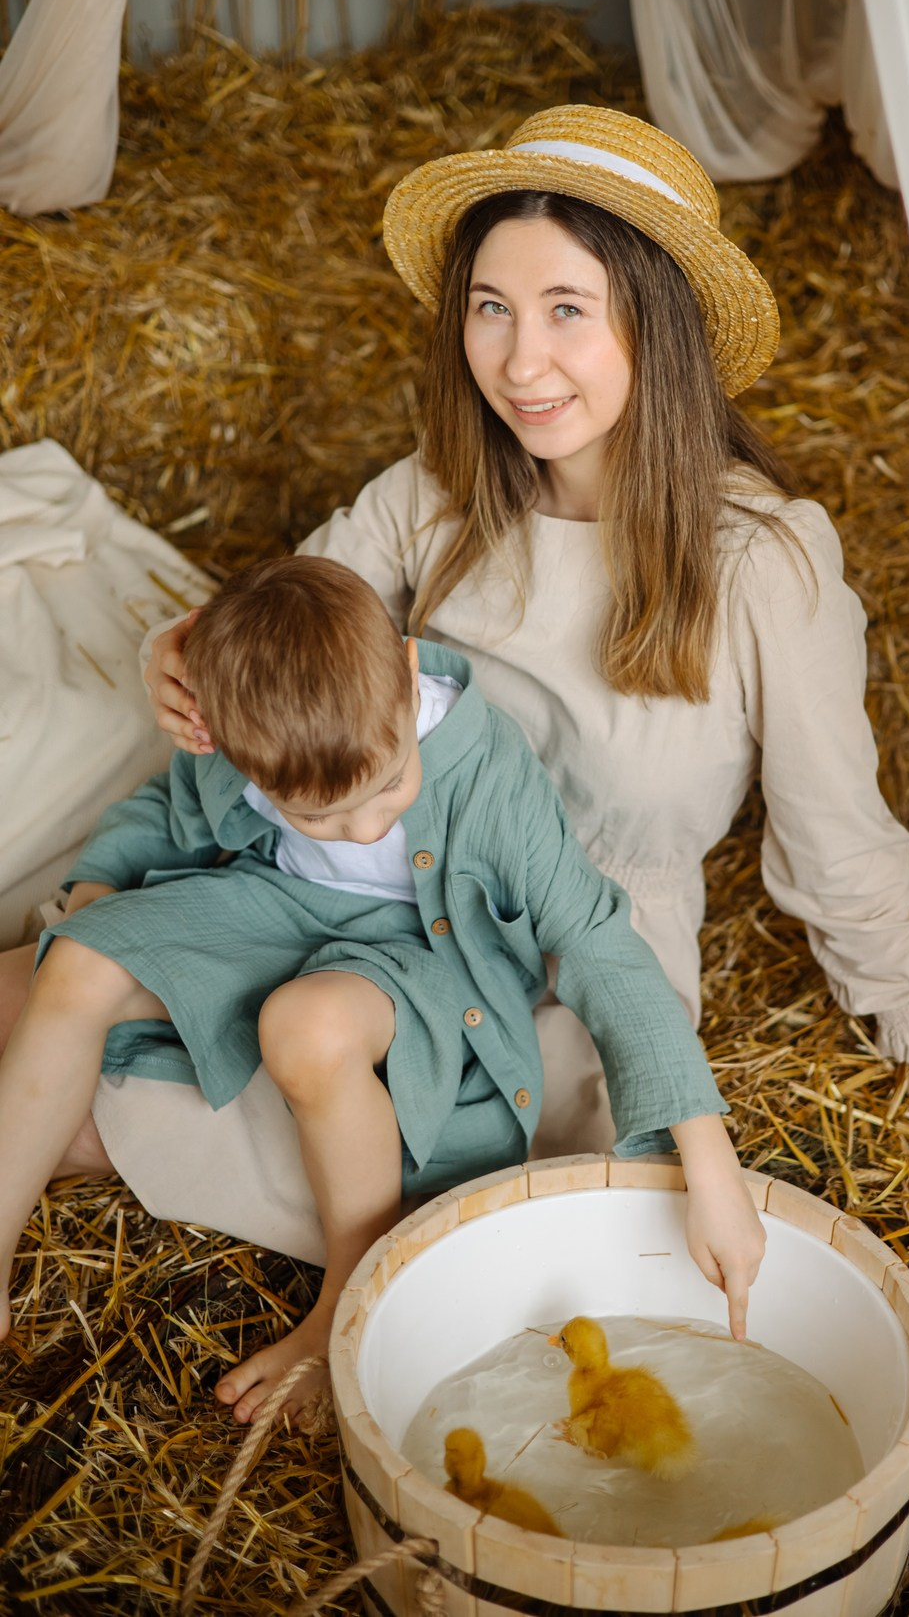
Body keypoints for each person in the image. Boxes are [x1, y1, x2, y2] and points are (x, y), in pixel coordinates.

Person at [0, 105, 909, 1395]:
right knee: (32, 992)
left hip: (549, 977)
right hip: (350, 874)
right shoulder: (435, 494)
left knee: (131, 1091)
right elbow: (281, 622)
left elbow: (838, 845)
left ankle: (336, 1282)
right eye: (489, 306)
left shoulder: (766, 561)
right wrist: (175, 656)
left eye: (567, 309)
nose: (519, 359)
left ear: (657, 320)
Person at [0, 554, 764, 1418]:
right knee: (69, 961)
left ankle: (343, 1312)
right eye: (320, 817)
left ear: (408, 668)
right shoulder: (243, 732)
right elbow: (168, 809)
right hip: (279, 907)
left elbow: (595, 942)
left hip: (429, 964)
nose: (368, 825)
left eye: (392, 784)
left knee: (308, 1027)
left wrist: (710, 1162)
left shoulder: (485, 771)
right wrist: (102, 894)